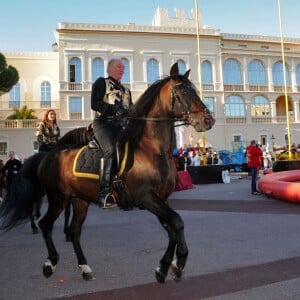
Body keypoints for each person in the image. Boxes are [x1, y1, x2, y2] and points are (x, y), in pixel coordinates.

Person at [89, 58, 133, 207]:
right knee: (110, 150)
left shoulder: (127, 90)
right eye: (118, 66)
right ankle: (104, 193)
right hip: (103, 124)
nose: (122, 69)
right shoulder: (102, 82)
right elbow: (95, 103)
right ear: (109, 69)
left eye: (123, 67)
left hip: (121, 127)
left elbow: (131, 109)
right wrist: (114, 109)